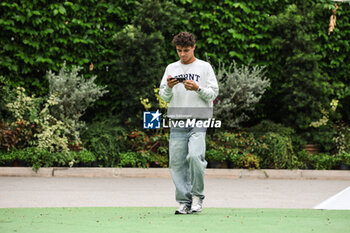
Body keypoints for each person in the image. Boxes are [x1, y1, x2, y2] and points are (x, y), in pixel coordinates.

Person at [159, 32, 219, 214]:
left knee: (195, 157)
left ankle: (197, 197)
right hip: (177, 119)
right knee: (176, 163)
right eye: (179, 51)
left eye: (186, 50)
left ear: (194, 47)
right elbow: (163, 95)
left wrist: (198, 88)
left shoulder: (205, 67)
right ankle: (184, 202)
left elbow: (213, 93)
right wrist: (169, 87)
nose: (182, 54)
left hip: (199, 118)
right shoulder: (171, 68)